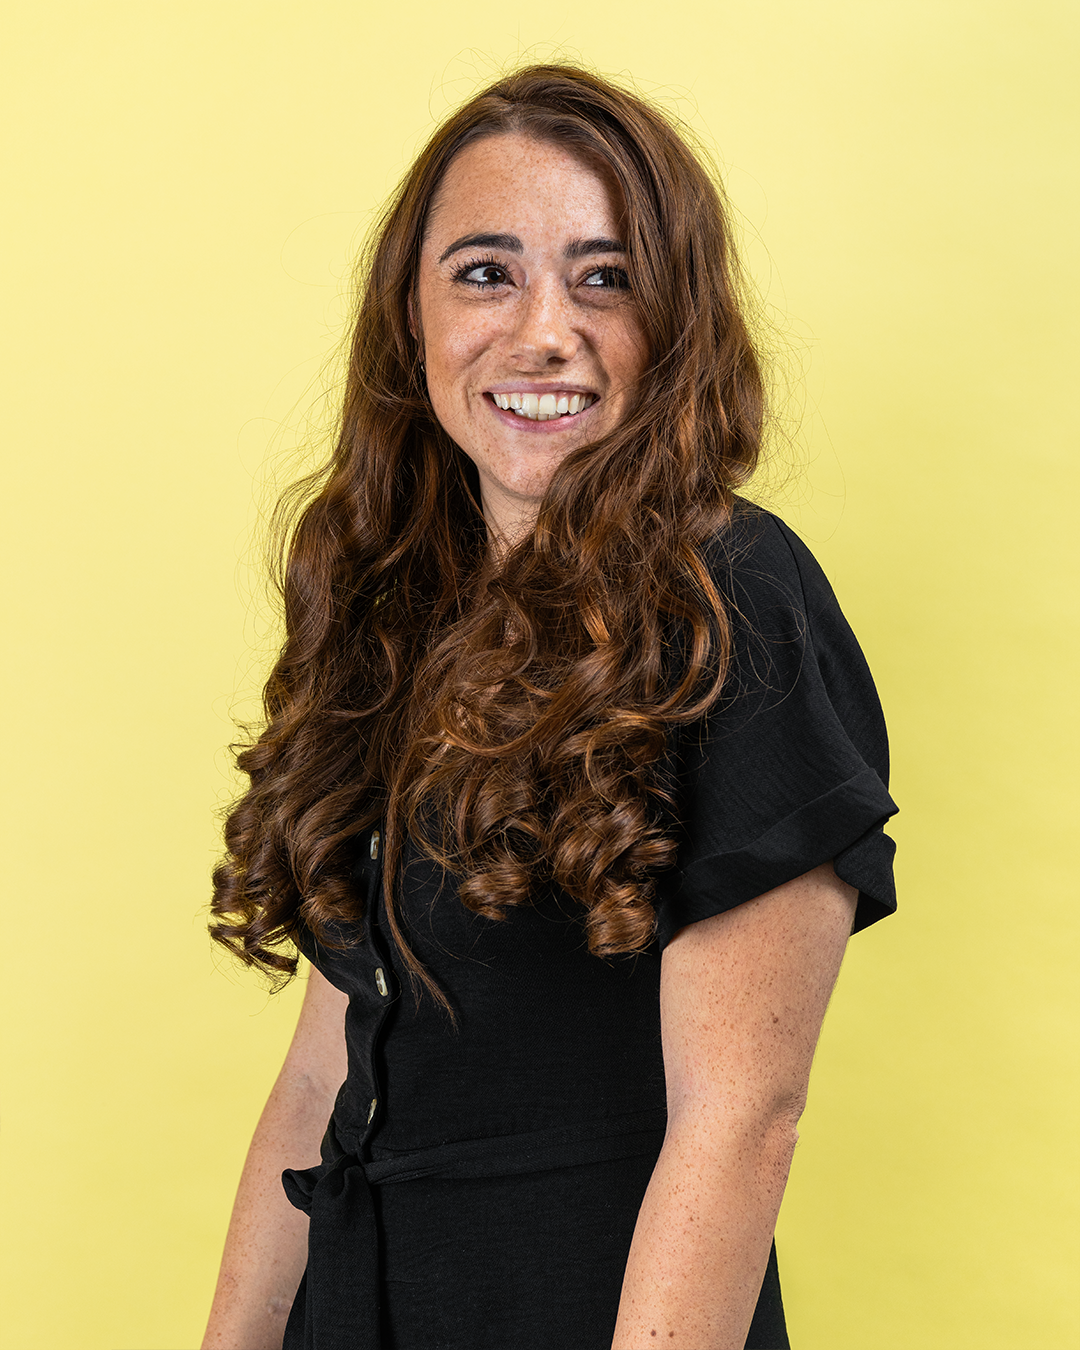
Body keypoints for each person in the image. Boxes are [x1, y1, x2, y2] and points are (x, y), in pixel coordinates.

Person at [201, 63, 898, 1350]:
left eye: (604, 275)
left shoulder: (734, 596)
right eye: (484, 272)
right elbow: (322, 1076)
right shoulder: (393, 607)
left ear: (674, 320)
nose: (542, 332)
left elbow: (744, 1115)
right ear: (411, 318)